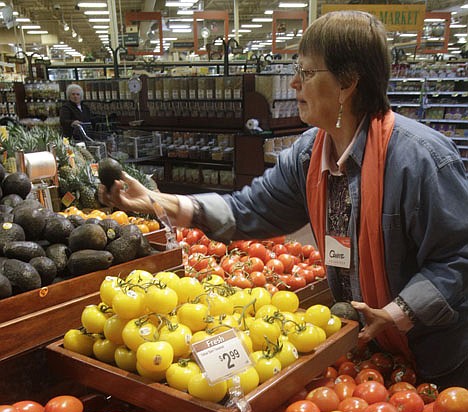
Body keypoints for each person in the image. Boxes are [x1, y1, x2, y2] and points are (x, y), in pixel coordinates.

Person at [99, 10, 468, 389]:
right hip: (365, 345)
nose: (293, 83)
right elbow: (250, 208)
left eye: (307, 73)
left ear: (348, 83)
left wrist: (397, 312)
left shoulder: (421, 160)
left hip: (434, 354)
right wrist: (159, 202)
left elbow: (458, 256)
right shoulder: (309, 154)